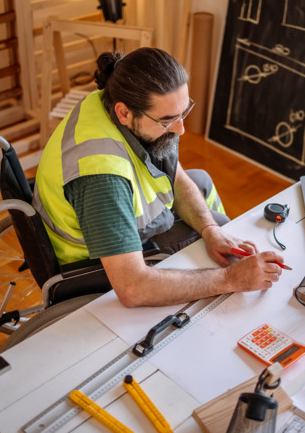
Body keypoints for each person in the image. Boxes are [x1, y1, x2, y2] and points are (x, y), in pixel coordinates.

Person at [34, 47, 284, 307]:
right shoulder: (101, 177)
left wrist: (211, 231)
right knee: (221, 249)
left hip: (109, 217)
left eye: (183, 112)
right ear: (123, 113)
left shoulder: (111, 102)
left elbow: (175, 176)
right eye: (167, 121)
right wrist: (230, 278)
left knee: (202, 183)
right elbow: (133, 289)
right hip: (93, 260)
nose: (181, 129)